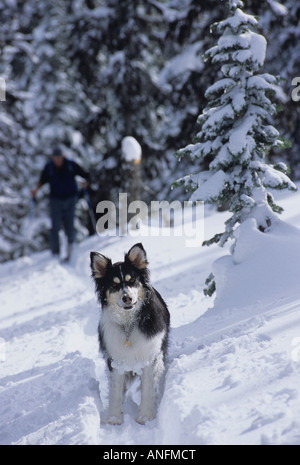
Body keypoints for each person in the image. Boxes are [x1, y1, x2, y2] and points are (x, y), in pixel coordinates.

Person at [31, 147, 90, 260]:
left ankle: (71, 249)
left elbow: (85, 175)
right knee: (55, 227)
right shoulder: (49, 167)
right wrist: (35, 190)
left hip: (71, 198)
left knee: (69, 225)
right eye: (55, 158)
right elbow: (42, 180)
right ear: (53, 158)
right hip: (55, 200)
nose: (57, 160)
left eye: (58, 158)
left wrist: (85, 183)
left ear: (62, 157)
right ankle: (55, 253)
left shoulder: (71, 165)